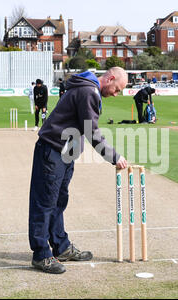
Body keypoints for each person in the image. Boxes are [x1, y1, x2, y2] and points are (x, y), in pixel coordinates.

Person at [29, 67, 128, 274]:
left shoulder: (87, 89)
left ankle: (61, 246)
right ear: (110, 78)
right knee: (45, 203)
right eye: (117, 89)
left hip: (64, 153)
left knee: (58, 202)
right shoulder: (88, 92)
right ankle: (41, 255)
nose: (115, 94)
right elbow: (92, 131)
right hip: (52, 151)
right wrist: (114, 157)